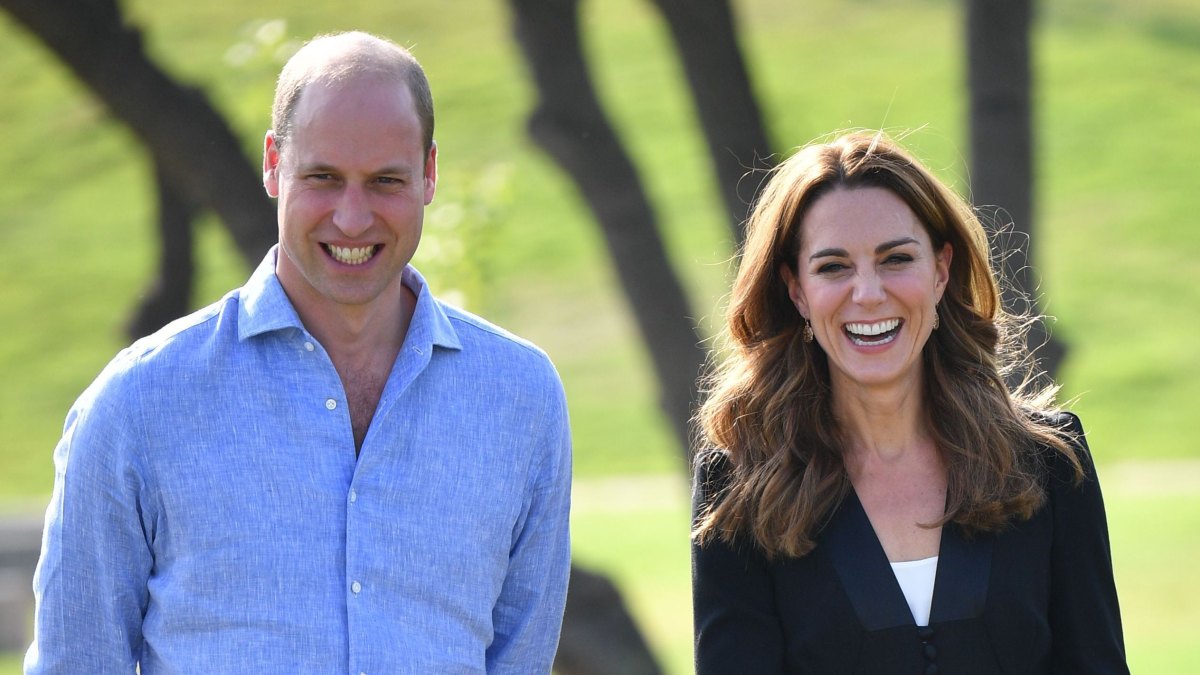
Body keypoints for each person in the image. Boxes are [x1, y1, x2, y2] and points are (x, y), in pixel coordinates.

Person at [26, 31, 572, 674]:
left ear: (429, 174)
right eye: (323, 177)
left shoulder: (521, 398)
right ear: (272, 164)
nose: (351, 218)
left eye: (385, 181)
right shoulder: (139, 403)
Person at [691, 131, 1127, 673]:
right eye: (833, 267)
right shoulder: (741, 486)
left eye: (896, 258)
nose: (868, 293)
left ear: (941, 270)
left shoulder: (1049, 465)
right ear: (796, 290)